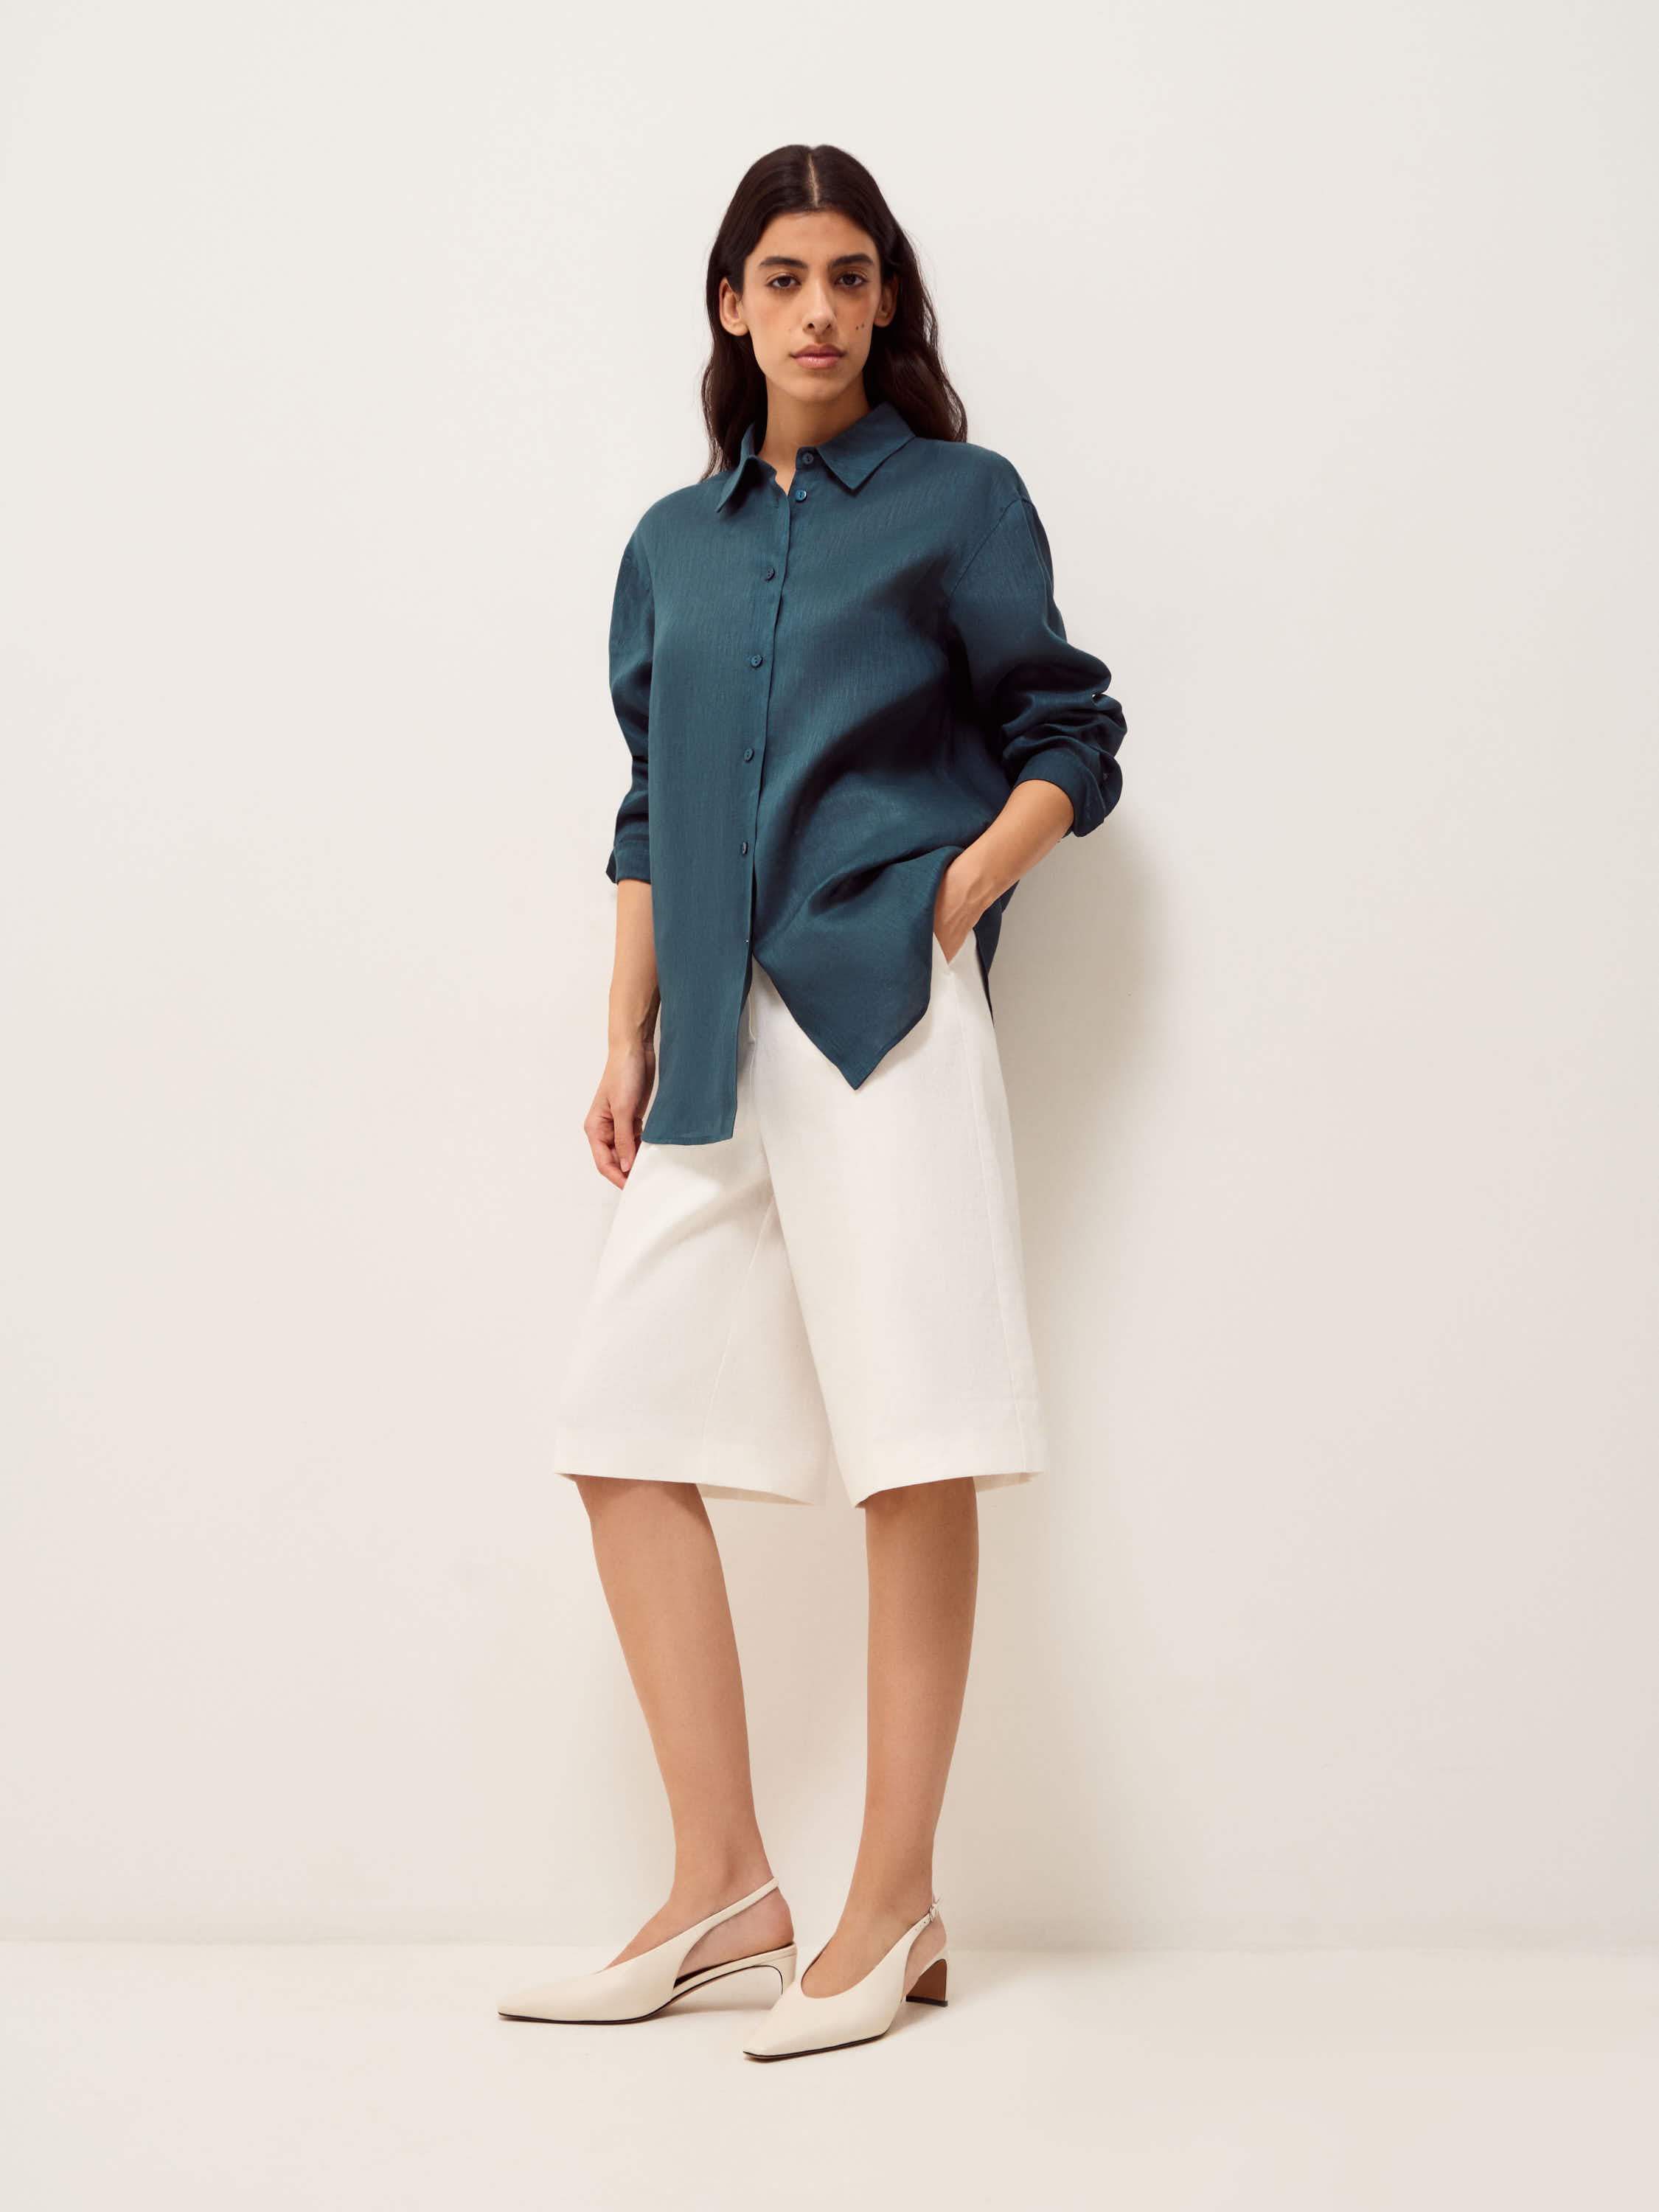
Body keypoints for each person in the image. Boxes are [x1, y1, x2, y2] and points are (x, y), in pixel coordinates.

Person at [498, 143, 1127, 2062]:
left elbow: (1070, 734)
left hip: (883, 1018)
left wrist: (955, 892)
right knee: (622, 1429)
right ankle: (722, 1890)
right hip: (713, 1043)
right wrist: (624, 1032)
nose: (820, 310)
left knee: (911, 1441)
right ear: (730, 304)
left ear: (886, 300)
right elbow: (648, 805)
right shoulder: (668, 545)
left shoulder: (957, 501)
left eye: (851, 276)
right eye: (782, 276)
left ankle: (892, 1900)